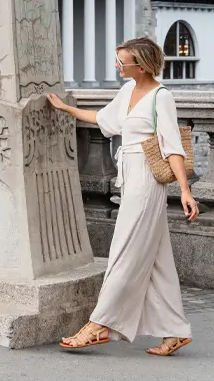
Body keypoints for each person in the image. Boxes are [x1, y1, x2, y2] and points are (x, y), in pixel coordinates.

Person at [47, 36, 199, 357]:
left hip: (148, 180)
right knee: (157, 259)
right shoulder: (128, 90)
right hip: (129, 176)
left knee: (124, 251)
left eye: (122, 62)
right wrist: (64, 108)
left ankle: (99, 324)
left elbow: (173, 148)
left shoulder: (161, 97)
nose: (117, 66)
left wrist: (185, 190)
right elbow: (104, 119)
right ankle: (175, 331)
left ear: (140, 65)